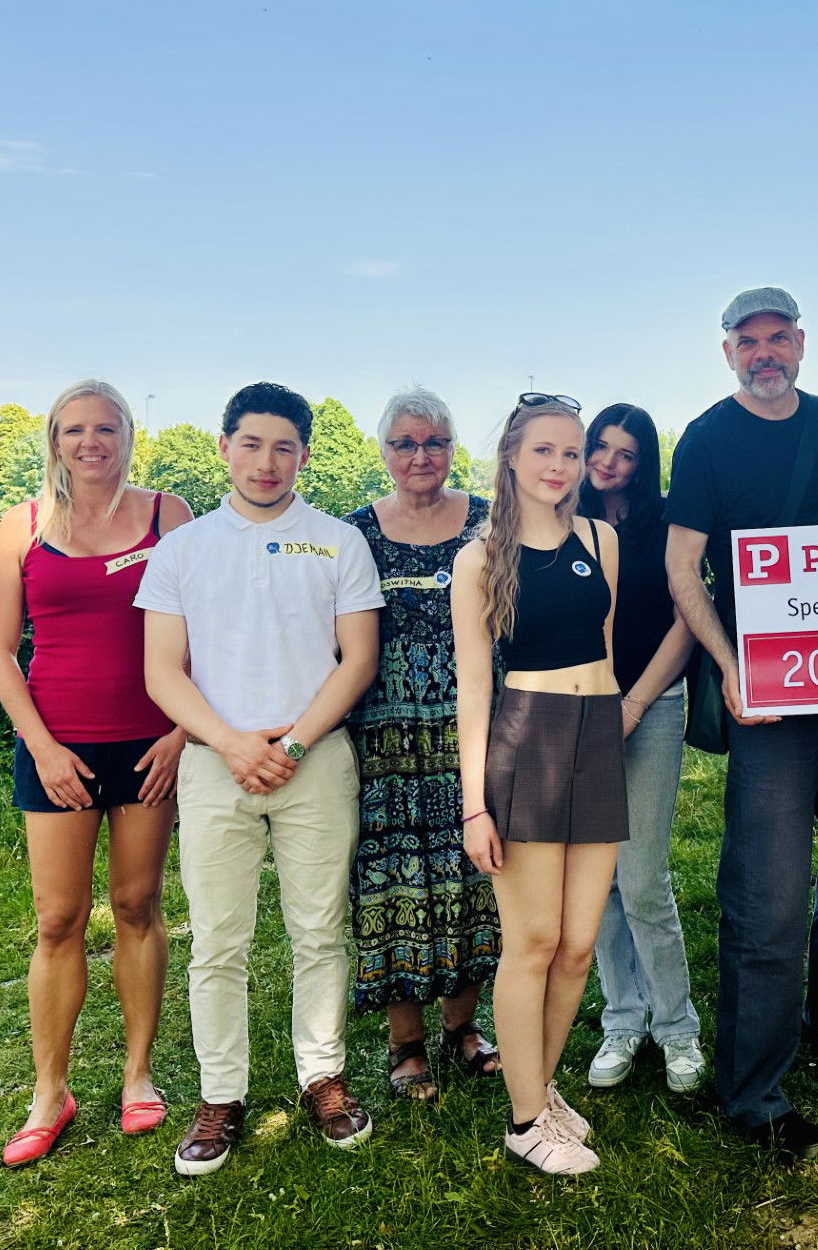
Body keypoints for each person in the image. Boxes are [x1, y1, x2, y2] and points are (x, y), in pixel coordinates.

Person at [664, 286, 818, 1163]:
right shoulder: (705, 437)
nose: (764, 353)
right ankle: (753, 1088)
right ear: (727, 351)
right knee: (765, 888)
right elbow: (683, 564)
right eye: (747, 342)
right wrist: (729, 665)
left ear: (800, 342)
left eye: (778, 338)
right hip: (766, 688)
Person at [137, 383, 383, 1176]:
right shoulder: (184, 548)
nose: (267, 462)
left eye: (284, 447)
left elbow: (359, 661)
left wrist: (294, 744)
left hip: (315, 760)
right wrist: (234, 744)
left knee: (317, 931)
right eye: (251, 443)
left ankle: (324, 1077)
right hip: (216, 766)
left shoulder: (339, 541)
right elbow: (161, 672)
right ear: (224, 447)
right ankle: (221, 1096)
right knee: (217, 942)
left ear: (305, 455)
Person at [0, 379, 192, 1166]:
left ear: (128, 434)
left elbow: (205, 634)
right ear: (54, 439)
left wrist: (180, 731)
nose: (90, 442)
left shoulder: (169, 516)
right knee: (57, 920)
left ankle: (139, 1076)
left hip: (148, 746)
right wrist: (40, 746)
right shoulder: (23, 525)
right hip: (57, 748)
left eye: (105, 428)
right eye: (75, 429)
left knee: (137, 905)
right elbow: (1, 652)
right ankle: (50, 1091)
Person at [453, 393, 625, 1176]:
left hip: (597, 736)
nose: (558, 467)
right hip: (526, 737)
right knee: (532, 942)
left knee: (578, 946)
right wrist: (475, 804)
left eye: (570, 452)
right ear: (512, 459)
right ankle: (525, 1122)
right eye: (543, 452)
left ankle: (543, 1087)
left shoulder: (602, 538)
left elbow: (607, 647)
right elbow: (474, 689)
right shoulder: (481, 557)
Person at [342, 388, 501, 1100]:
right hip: (384, 744)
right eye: (405, 443)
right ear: (384, 452)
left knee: (471, 884)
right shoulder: (355, 535)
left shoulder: (490, 525)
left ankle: (464, 1029)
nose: (420, 456)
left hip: (472, 732)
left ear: (452, 447)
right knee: (392, 886)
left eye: (434, 441)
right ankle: (405, 1044)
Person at [578, 403, 704, 1093]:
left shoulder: (665, 524)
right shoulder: (563, 522)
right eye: (600, 446)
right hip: (577, 711)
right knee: (598, 883)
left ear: (644, 463)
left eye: (626, 453)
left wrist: (631, 705)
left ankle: (677, 1028)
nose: (609, 463)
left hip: (653, 704)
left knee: (643, 877)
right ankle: (622, 1020)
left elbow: (687, 619)